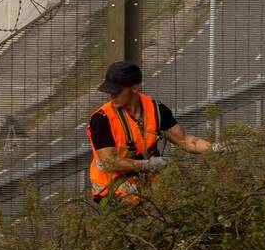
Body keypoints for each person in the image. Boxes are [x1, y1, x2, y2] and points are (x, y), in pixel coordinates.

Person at [86, 61, 212, 203]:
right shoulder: (102, 119)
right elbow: (110, 162)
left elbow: (186, 140)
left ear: (134, 88)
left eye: (117, 91)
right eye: (110, 91)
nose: (112, 96)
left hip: (148, 189)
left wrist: (215, 149)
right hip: (112, 192)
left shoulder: (156, 109)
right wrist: (148, 165)